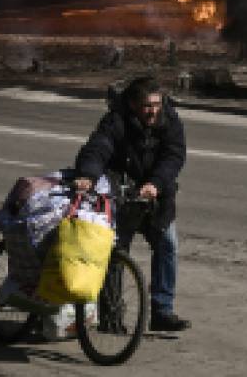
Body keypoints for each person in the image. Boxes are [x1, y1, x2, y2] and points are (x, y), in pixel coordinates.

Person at [73, 74, 190, 332]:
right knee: (116, 253)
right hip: (121, 194)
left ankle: (162, 310)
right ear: (135, 104)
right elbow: (98, 147)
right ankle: (111, 315)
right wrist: (88, 175)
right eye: (148, 106)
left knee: (168, 244)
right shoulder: (117, 119)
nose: (153, 111)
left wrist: (156, 184)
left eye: (157, 104)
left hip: (156, 196)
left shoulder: (169, 120)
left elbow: (175, 155)